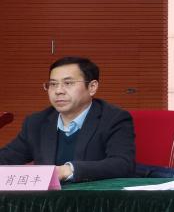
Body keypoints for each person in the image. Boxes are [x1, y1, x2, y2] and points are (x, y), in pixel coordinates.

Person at [0, 56, 135, 182]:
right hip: (48, 199)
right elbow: (6, 158)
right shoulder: (36, 122)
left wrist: (67, 170)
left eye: (68, 83)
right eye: (53, 84)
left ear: (92, 87)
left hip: (96, 197)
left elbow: (122, 164)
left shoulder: (113, 119)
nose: (58, 91)